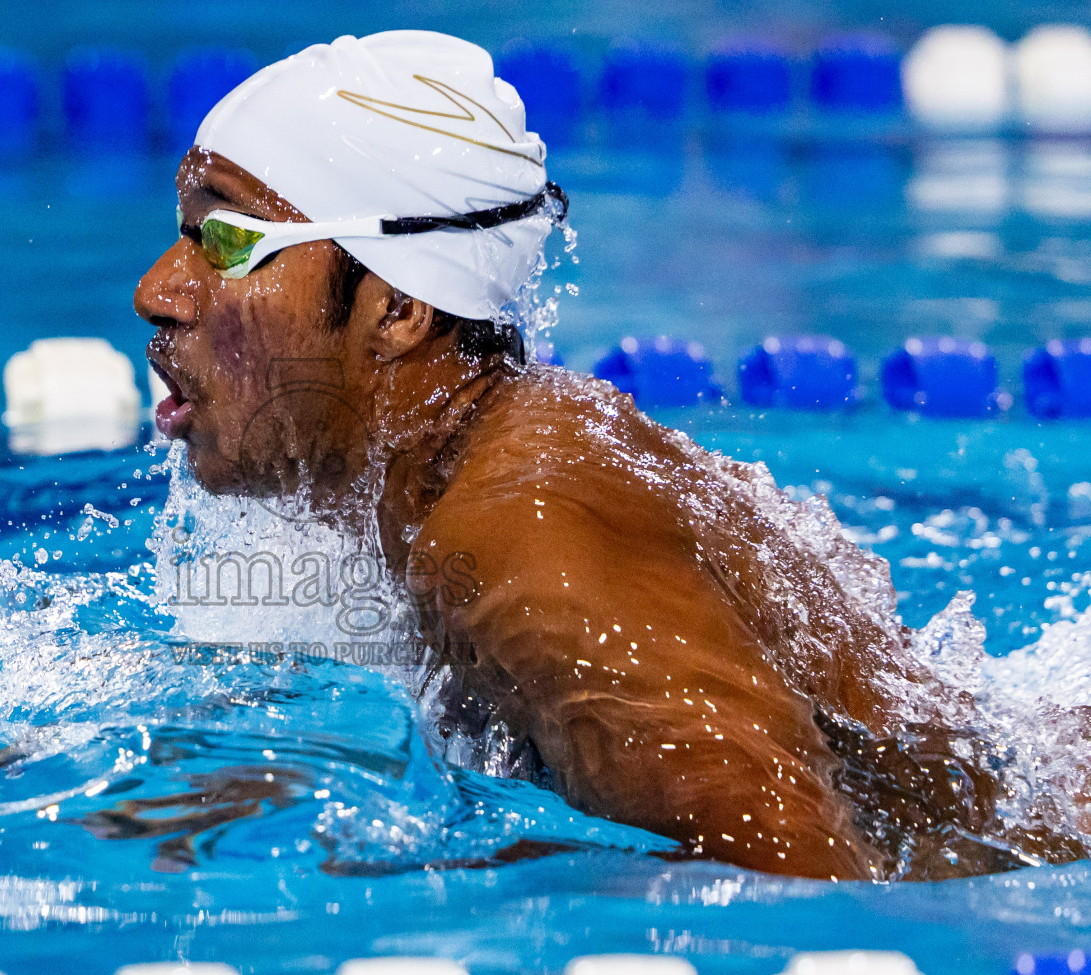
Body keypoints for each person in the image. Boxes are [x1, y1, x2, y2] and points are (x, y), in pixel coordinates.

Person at [133, 30, 1086, 880]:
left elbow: (796, 879)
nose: (158, 291)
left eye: (225, 239)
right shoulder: (454, 471)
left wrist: (387, 853)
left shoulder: (517, 539)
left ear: (398, 308)